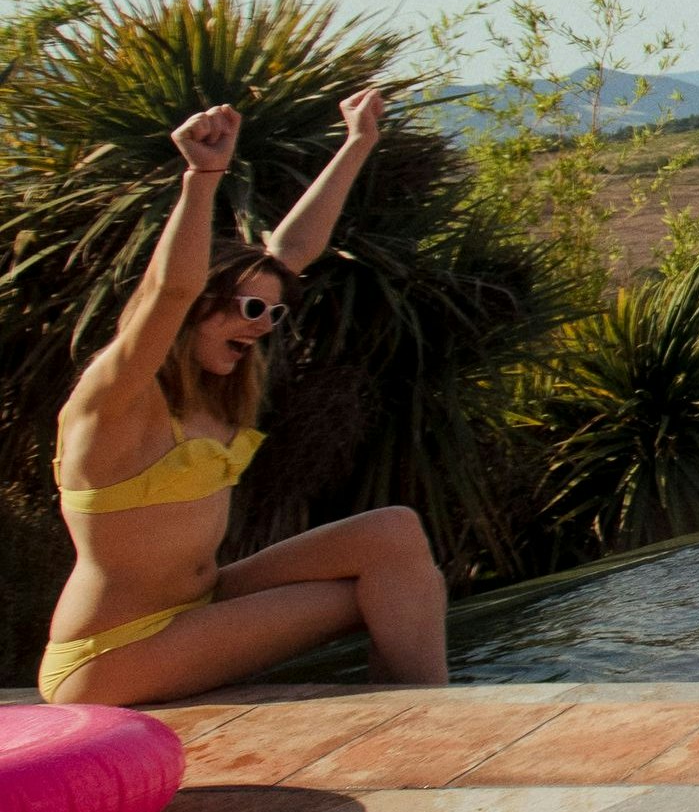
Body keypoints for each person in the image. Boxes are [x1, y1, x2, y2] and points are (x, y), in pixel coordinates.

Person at [41, 91, 448, 705]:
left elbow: (289, 254)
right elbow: (167, 294)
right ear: (198, 306)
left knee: (393, 536)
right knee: (385, 595)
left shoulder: (212, 394)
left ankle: (424, 708)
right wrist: (202, 178)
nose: (264, 324)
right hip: (112, 653)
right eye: (250, 309)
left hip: (196, 604)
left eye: (275, 313)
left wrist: (358, 142)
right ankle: (430, 720)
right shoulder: (117, 399)